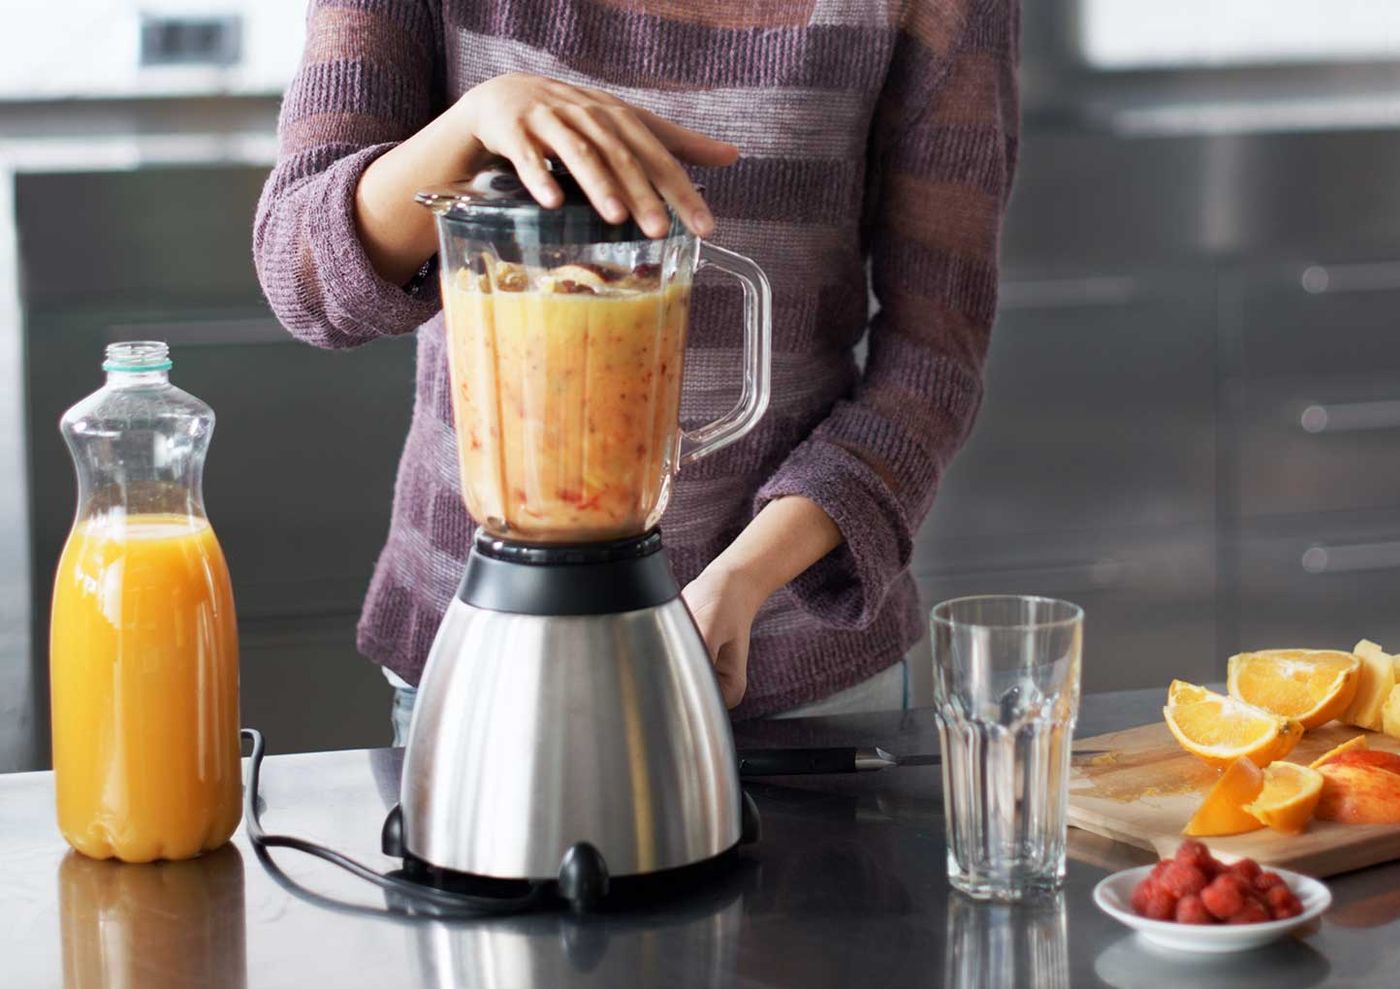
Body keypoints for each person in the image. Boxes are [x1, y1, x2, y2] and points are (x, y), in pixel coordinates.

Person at [253, 1, 1019, 739]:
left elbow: (932, 358)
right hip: (478, 661)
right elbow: (305, 278)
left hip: (790, 668)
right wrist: (472, 124)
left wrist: (744, 579)